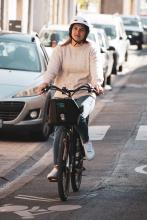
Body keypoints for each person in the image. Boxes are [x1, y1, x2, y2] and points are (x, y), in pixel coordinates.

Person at [37, 16, 104, 181]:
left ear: (86, 32)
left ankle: (86, 142)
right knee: (59, 128)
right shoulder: (61, 48)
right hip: (63, 93)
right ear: (71, 30)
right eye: (75, 28)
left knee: (80, 115)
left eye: (82, 29)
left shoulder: (91, 48)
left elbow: (96, 69)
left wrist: (97, 84)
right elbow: (52, 69)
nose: (78, 32)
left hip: (85, 93)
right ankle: (57, 167)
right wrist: (45, 82)